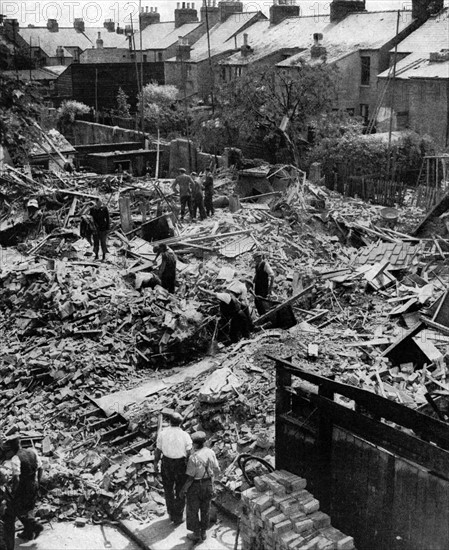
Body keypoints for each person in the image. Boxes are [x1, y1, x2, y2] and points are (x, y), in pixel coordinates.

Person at [1, 437, 43, 543]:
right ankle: (28, 533)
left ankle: (35, 525)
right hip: (34, 484)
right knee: (29, 508)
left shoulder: (16, 458)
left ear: (12, 448)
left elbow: (17, 477)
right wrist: (38, 481)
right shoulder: (32, 452)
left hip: (23, 487)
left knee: (17, 509)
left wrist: (14, 490)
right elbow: (40, 468)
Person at [180, 431, 220, 543]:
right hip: (208, 484)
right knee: (205, 509)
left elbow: (190, 478)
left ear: (196, 444)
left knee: (192, 510)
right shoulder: (210, 452)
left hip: (196, 486)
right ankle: (203, 533)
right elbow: (217, 469)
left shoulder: (193, 458)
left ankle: (196, 534)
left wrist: (183, 490)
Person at [154, 413, 192, 525]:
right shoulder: (185, 435)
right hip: (180, 464)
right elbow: (189, 452)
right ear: (180, 423)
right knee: (180, 490)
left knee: (168, 489)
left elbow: (158, 450)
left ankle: (171, 512)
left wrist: (156, 463)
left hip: (166, 463)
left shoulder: (162, 434)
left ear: (169, 421)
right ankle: (178, 516)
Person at [253, 251, 275, 315]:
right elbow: (257, 273)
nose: (255, 260)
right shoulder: (257, 265)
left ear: (259, 257)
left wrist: (270, 287)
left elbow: (272, 275)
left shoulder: (265, 264)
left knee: (263, 302)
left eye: (256, 258)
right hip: (258, 286)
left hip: (263, 287)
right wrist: (254, 279)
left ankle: (265, 315)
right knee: (258, 301)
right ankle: (261, 314)